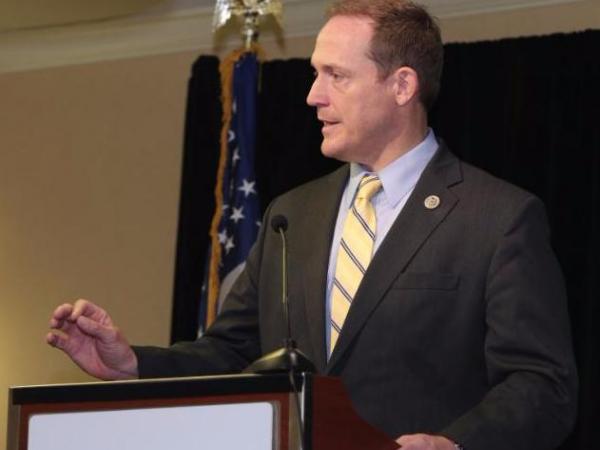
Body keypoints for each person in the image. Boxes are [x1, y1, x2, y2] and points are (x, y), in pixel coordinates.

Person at [47, 1, 578, 449]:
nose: (312, 96)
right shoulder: (292, 215)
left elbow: (541, 384)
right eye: (315, 74)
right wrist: (131, 363)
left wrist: (458, 441)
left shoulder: (497, 217)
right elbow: (231, 353)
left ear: (401, 85)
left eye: (336, 76)